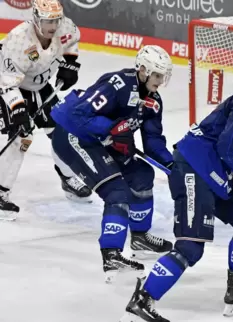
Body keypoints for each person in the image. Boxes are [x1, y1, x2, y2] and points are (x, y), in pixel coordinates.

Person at [121, 63, 233, 322]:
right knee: (190, 247)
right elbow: (232, 152)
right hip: (195, 171)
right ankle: (142, 300)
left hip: (212, 175)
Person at [50, 45, 174, 282]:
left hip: (103, 142)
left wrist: (173, 167)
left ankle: (139, 237)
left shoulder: (153, 101)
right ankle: (112, 254)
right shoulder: (118, 84)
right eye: (157, 75)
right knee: (116, 191)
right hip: (73, 136)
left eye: (163, 76)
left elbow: (153, 142)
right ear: (144, 71)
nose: (160, 81)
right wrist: (111, 129)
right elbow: (78, 114)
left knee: (142, 174)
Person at [0, 0, 92, 220]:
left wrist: (71, 65)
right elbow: (8, 82)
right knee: (22, 138)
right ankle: (1, 191)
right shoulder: (18, 40)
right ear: (35, 18)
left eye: (55, 20)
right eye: (47, 21)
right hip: (12, 87)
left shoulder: (65, 27)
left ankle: (68, 177)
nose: (52, 26)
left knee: (61, 132)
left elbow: (71, 45)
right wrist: (18, 110)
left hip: (40, 86)